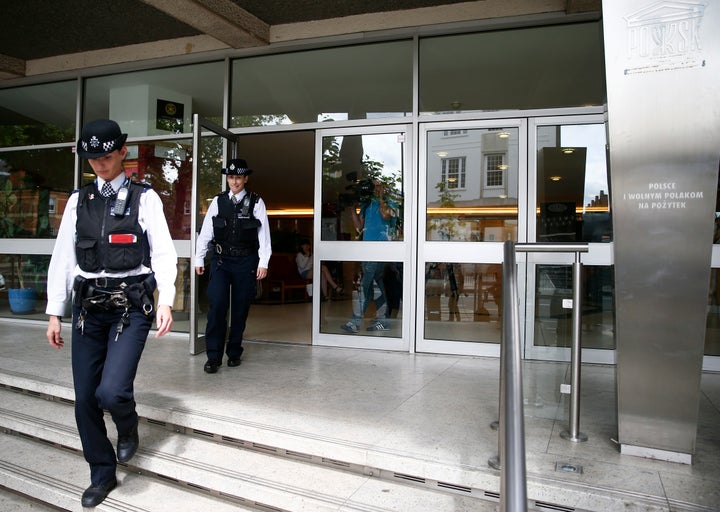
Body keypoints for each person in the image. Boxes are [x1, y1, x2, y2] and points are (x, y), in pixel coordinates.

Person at [45, 119, 177, 508]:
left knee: (112, 391)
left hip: (130, 309)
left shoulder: (145, 198)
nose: (100, 165)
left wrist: (165, 299)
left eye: (106, 156)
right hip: (88, 310)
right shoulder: (78, 201)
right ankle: (101, 474)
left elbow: (164, 252)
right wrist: (55, 311)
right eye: (92, 159)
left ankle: (128, 423)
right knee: (85, 397)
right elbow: (63, 259)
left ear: (123, 151)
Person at [194, 158, 271, 373]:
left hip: (246, 261)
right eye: (231, 177)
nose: (234, 181)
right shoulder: (218, 201)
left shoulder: (256, 202)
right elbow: (206, 232)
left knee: (239, 309)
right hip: (221, 261)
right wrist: (199, 258)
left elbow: (264, 235)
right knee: (217, 306)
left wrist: (263, 262)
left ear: (245, 178)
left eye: (238, 177)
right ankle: (213, 356)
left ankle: (234, 351)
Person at [341, 178, 399, 332]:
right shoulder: (367, 204)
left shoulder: (390, 202)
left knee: (366, 286)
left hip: (380, 250)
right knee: (376, 284)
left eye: (377, 186)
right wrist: (353, 209)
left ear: (383, 188)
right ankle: (383, 320)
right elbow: (360, 228)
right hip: (367, 250)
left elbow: (387, 216)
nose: (374, 189)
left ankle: (355, 322)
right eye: (373, 187)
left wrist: (381, 199)